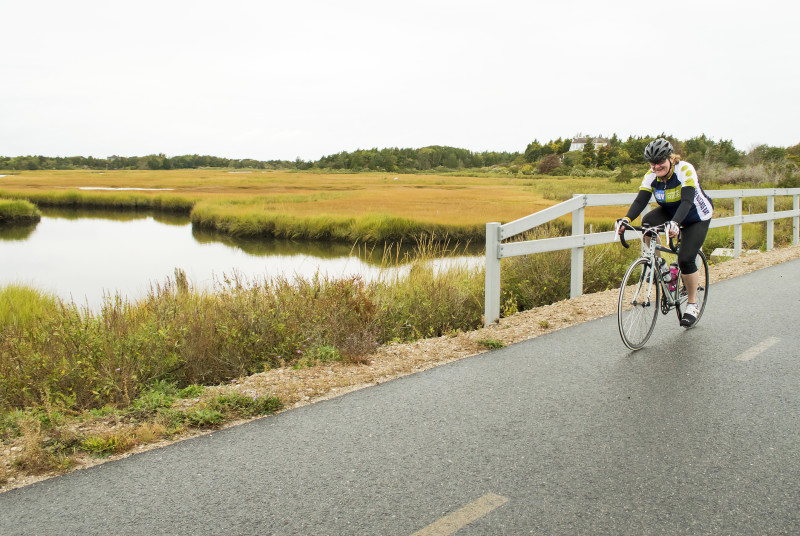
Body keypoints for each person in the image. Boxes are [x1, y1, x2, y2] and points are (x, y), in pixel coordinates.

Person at [615, 138, 714, 327]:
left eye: (660, 162)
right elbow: (640, 201)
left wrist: (676, 223)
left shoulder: (684, 170)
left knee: (685, 259)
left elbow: (686, 201)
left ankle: (692, 304)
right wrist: (626, 219)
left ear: (670, 159)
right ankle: (660, 264)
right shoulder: (651, 175)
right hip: (670, 212)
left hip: (695, 216)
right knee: (647, 223)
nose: (656, 167)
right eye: (652, 163)